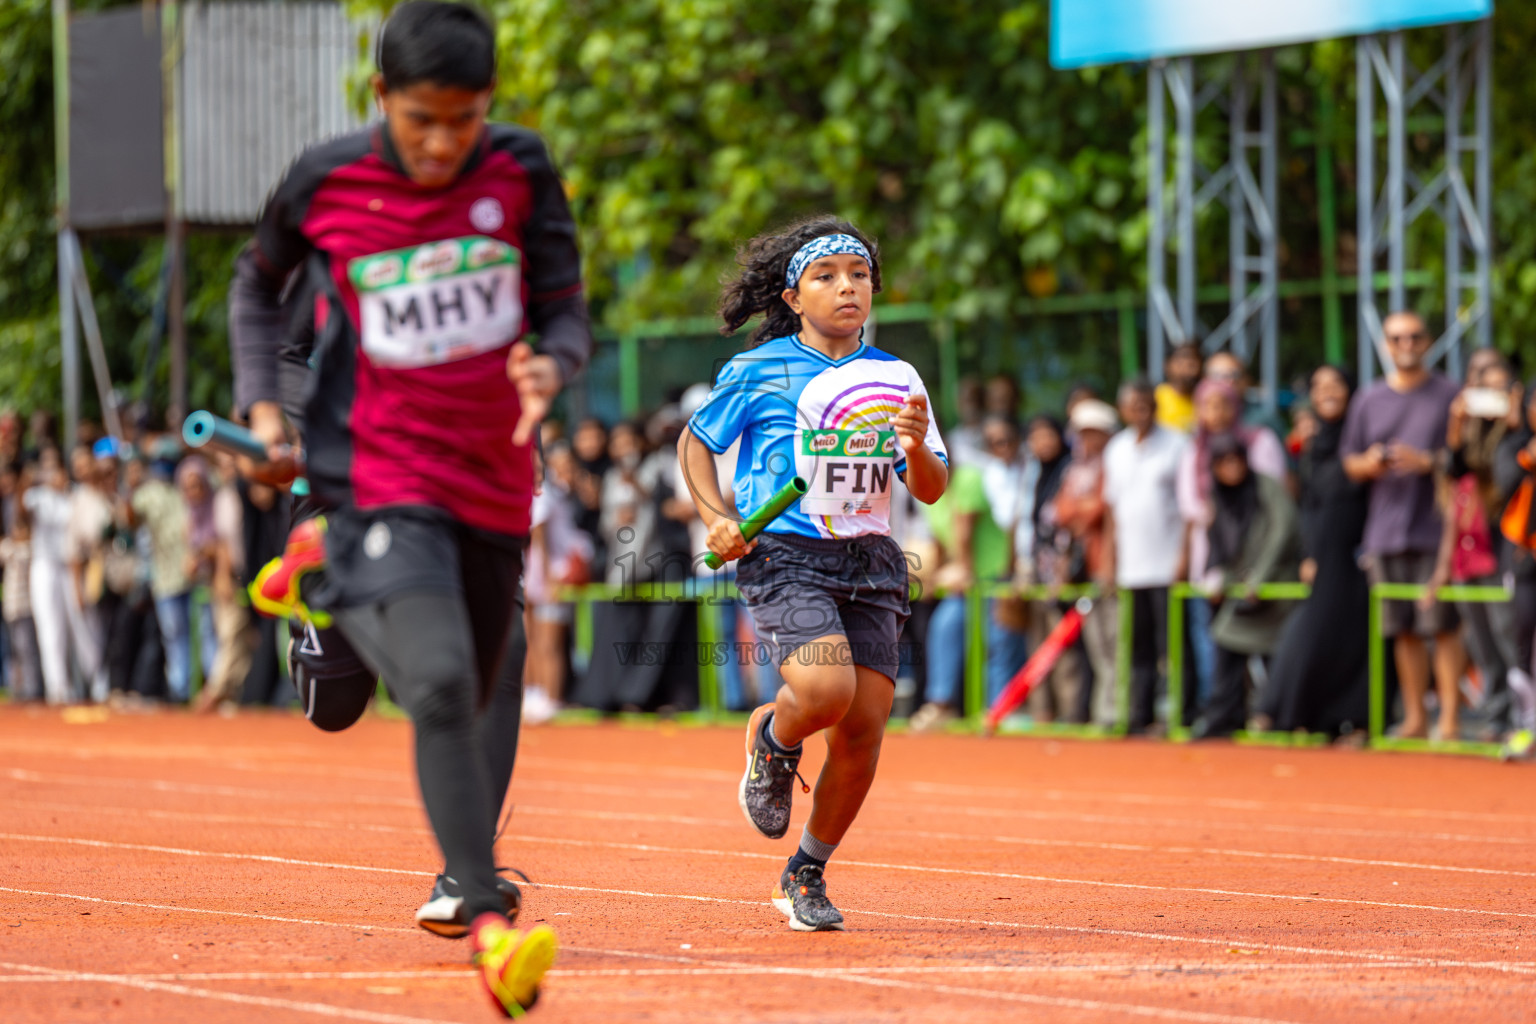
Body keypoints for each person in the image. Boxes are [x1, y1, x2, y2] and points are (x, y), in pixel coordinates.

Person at [227, 2, 584, 1012]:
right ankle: (484, 913)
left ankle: (325, 579)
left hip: (493, 475)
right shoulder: (328, 180)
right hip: (379, 470)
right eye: (422, 119)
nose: (441, 145)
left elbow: (562, 303)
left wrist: (551, 367)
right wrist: (264, 406)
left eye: (463, 121)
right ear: (382, 97)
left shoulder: (518, 171)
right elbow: (257, 291)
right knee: (433, 679)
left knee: (494, 662)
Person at [679, 218, 947, 931]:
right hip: (784, 555)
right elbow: (695, 443)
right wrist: (715, 516)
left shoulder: (897, 378)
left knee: (862, 731)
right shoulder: (757, 370)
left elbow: (929, 487)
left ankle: (806, 871)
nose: (846, 287)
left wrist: (916, 448)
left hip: (873, 560)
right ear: (795, 296)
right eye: (826, 276)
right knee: (825, 690)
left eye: (857, 275)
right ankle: (774, 737)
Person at [1341, 310, 1463, 740]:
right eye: (1397, 338)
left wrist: (1427, 462)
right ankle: (1415, 717)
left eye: (1414, 337)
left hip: (1436, 528)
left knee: (1443, 626)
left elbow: (1467, 459)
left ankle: (1449, 719)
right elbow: (1349, 462)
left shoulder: (1450, 393)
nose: (1406, 345)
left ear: (1427, 342)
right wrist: (1370, 463)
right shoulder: (1368, 399)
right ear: (1386, 346)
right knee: (1402, 629)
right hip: (1385, 531)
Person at [1262, 366, 1371, 736]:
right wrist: (1308, 554)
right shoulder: (1313, 443)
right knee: (1314, 628)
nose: (1327, 392)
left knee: (1355, 633)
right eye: (1318, 385)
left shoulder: (1363, 434)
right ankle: (1294, 712)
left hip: (1358, 547)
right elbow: (1308, 502)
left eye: (1336, 384)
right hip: (1323, 548)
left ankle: (1354, 719)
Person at [1425, 354, 1520, 737]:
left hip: (1505, 552)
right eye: (1485, 390)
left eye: (1500, 390)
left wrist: (1515, 427)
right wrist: (1457, 421)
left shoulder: (1517, 439)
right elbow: (1455, 470)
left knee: (1511, 639)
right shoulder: (1469, 437)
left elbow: (1505, 478)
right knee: (1483, 645)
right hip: (1470, 555)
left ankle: (1522, 717)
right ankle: (1498, 718)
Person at [1192, 433, 1300, 738]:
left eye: (1234, 460)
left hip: (1275, 588)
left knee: (1278, 656)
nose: (1230, 468)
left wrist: (1260, 578)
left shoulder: (1265, 485)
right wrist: (1219, 579)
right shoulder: (1220, 497)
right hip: (1244, 590)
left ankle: (1279, 717)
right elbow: (1223, 547)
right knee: (1225, 643)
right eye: (1222, 462)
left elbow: (1284, 528)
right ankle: (1224, 716)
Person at [1102, 379, 1188, 733]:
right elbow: (1111, 510)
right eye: (1132, 404)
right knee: (1137, 647)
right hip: (1131, 567)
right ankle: (1139, 715)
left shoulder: (1177, 444)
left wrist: (1184, 557)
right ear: (1122, 409)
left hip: (1168, 563)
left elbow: (1188, 508)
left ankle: (1179, 715)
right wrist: (1109, 559)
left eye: (1145, 404)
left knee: (1173, 647)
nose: (1139, 411)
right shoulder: (1117, 448)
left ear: (1155, 406)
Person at [1054, 398, 1119, 725]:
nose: (1085, 439)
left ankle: (1113, 713)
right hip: (1080, 567)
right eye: (1081, 432)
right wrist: (1083, 511)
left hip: (1107, 564)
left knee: (1113, 642)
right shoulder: (1075, 468)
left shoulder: (1115, 464)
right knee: (1094, 645)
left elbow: (1100, 510)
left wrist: (1082, 511)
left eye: (1092, 432)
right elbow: (1061, 510)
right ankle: (1100, 712)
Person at [1155, 342, 1202, 434]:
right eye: (1181, 363)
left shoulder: (1206, 398)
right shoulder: (1156, 397)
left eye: (1192, 365)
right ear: (1167, 365)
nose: (1187, 370)